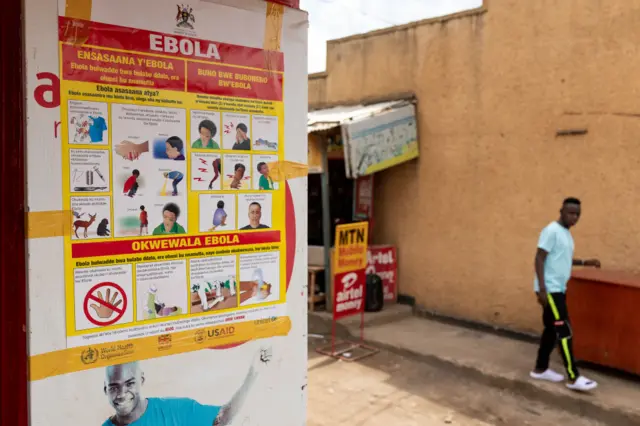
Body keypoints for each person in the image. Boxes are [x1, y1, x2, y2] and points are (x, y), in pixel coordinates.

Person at [531, 197, 601, 392]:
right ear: (561, 211)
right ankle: (573, 377)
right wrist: (542, 289)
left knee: (551, 330)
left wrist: (585, 262)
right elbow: (539, 257)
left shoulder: (566, 235)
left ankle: (540, 368)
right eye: (570, 212)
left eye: (577, 214)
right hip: (551, 290)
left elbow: (562, 259)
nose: (574, 217)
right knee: (564, 331)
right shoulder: (551, 230)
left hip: (559, 289)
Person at [102, 349, 268, 426]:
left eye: (130, 383)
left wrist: (254, 372)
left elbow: (223, 418)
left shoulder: (175, 410)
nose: (122, 394)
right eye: (114, 387)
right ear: (106, 390)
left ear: (141, 380)